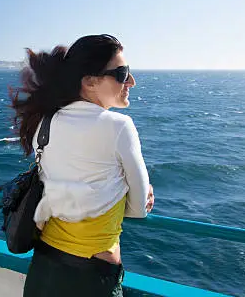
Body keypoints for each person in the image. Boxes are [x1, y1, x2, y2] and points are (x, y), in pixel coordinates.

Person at [10, 34, 154, 297]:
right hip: (90, 279)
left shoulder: (44, 122)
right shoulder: (119, 127)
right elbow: (139, 209)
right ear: (89, 81)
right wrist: (123, 189)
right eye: (122, 74)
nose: (131, 81)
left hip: (44, 267)